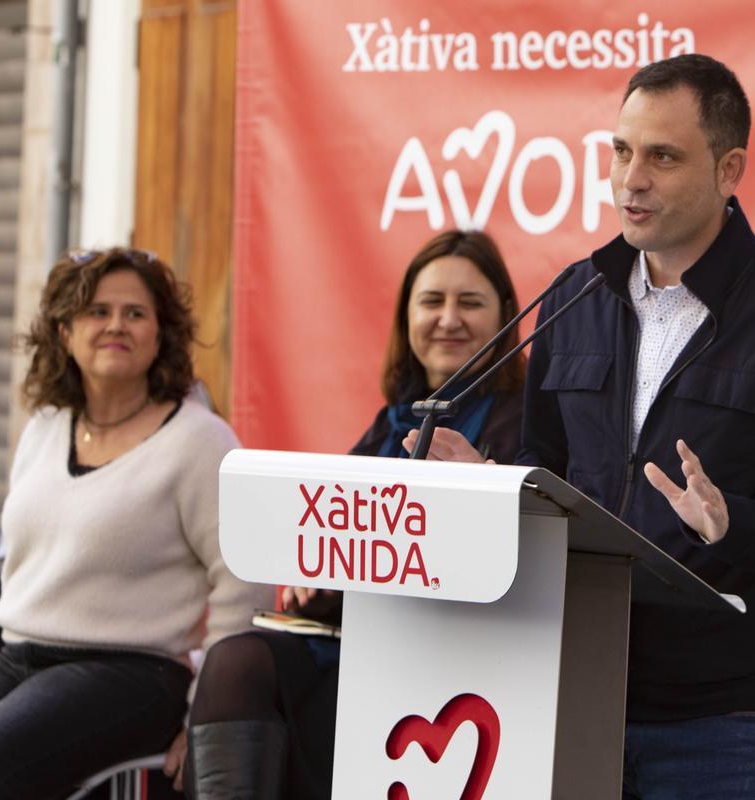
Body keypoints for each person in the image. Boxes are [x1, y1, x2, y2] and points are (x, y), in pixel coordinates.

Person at [408, 55, 755, 799]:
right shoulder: (575, 297)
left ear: (730, 169)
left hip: (729, 728)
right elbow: (552, 468)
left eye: (662, 156)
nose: (631, 178)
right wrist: (497, 488)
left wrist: (738, 524)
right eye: (621, 151)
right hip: (575, 697)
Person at [0, 248, 264, 799]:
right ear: (63, 333)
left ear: (161, 334)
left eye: (135, 313)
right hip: (19, 656)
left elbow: (243, 582)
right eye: (96, 311)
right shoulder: (44, 427)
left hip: (133, 673)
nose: (115, 325)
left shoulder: (199, 441)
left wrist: (206, 714)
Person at [174, 229, 526, 799]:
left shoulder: (526, 417)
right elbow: (344, 534)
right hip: (353, 642)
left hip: (453, 659)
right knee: (235, 662)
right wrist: (322, 579)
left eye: (471, 302)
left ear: (507, 315)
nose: (448, 319)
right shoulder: (393, 418)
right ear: (406, 316)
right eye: (431, 301)